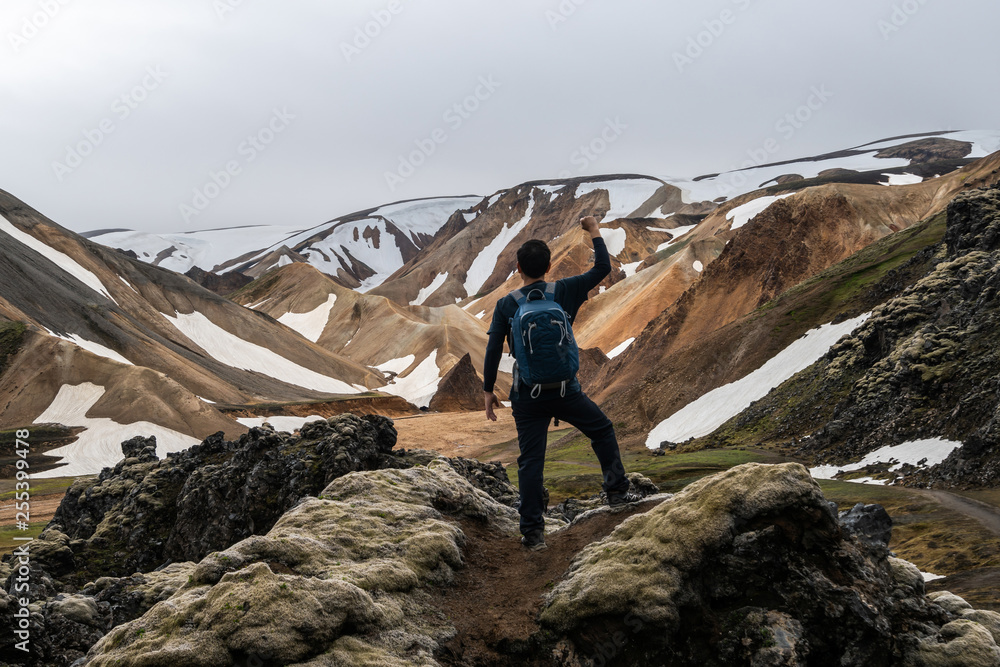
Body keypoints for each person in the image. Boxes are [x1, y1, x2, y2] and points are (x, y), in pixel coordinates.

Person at [483, 215, 639, 551]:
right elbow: (602, 270)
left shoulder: (506, 304)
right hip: (568, 391)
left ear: (518, 268)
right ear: (550, 265)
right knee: (601, 430)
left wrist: (487, 391)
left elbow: (494, 348)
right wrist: (594, 232)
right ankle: (617, 493)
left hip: (528, 396)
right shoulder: (565, 289)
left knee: (531, 461)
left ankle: (533, 534)